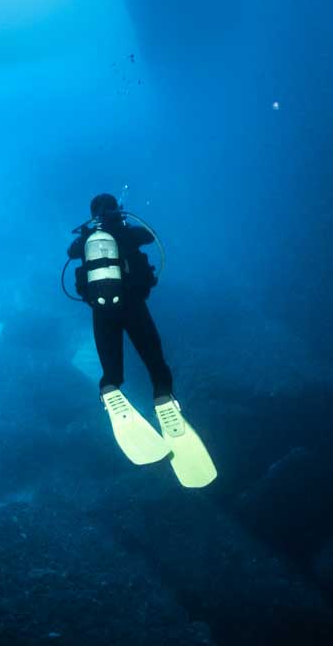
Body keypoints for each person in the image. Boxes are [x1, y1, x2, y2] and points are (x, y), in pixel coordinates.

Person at [67, 193, 215, 487]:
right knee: (154, 361)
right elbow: (148, 236)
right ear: (115, 209)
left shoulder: (86, 239)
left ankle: (110, 391)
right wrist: (121, 222)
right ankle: (163, 400)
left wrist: (90, 229)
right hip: (134, 306)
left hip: (101, 311)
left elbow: (72, 253)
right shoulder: (126, 231)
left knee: (111, 369)